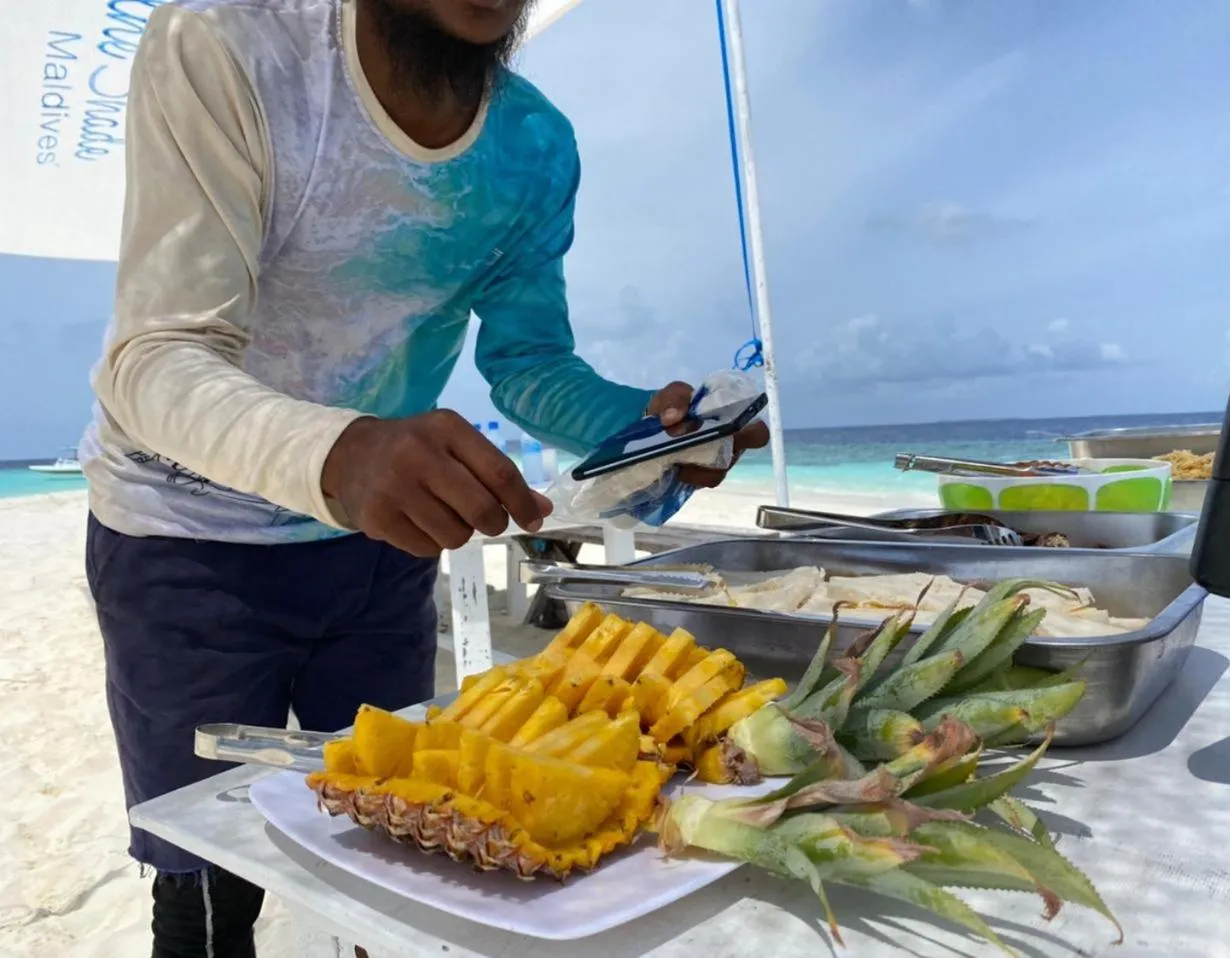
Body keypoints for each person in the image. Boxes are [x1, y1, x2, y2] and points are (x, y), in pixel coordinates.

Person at [78, 0, 768, 955]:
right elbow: (153, 357)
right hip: (185, 537)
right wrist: (340, 453)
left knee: (416, 846)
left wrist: (640, 430)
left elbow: (529, 365)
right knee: (205, 877)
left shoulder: (534, 146)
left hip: (383, 542)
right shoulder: (227, 45)